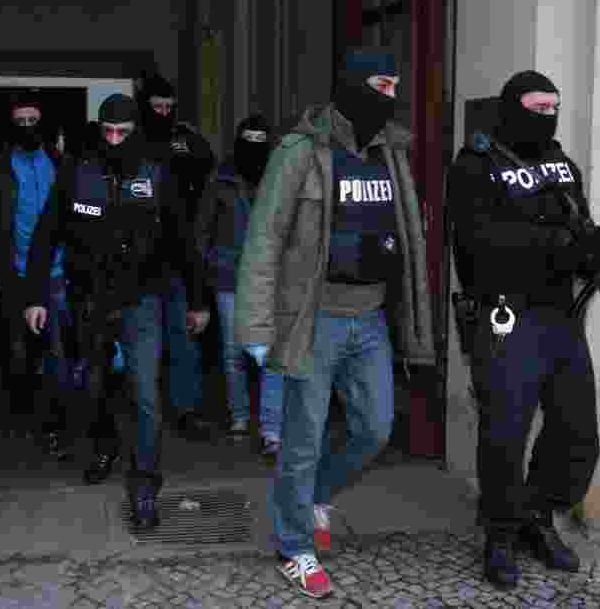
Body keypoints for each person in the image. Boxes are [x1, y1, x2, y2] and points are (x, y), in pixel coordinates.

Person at [235, 48, 434, 599]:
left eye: (395, 86)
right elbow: (264, 239)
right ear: (350, 85)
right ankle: (294, 545)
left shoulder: (392, 153)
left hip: (370, 319)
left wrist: (415, 320)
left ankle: (315, 496)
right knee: (301, 440)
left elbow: (412, 239)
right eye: (379, 84)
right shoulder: (301, 152)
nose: (389, 97)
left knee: (376, 428)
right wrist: (255, 328)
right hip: (314, 321)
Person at [448, 70, 600, 589]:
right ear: (512, 107)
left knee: (576, 432)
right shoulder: (476, 164)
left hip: (561, 317)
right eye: (537, 107)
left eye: (553, 108)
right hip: (506, 316)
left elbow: (585, 233)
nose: (547, 117)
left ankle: (535, 516)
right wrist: (550, 245)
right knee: (504, 433)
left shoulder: (562, 166)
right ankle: (499, 535)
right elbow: (475, 242)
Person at [24, 93, 210, 531]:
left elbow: (184, 242)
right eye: (106, 132)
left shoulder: (157, 172)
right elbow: (45, 234)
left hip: (143, 299)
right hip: (89, 299)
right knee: (92, 386)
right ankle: (105, 445)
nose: (113, 140)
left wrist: (199, 300)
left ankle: (145, 487)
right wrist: (35, 295)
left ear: (135, 133)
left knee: (146, 394)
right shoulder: (76, 171)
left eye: (122, 133)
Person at [0, 99, 72, 456]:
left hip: (57, 273)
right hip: (14, 274)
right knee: (20, 353)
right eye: (20, 120)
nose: (28, 125)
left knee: (56, 352)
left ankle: (54, 426)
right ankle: (28, 413)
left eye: (34, 119)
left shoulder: (61, 164)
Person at [196, 114, 283, 455]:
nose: (254, 150)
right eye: (249, 141)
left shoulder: (278, 178)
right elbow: (202, 230)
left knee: (268, 354)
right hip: (228, 278)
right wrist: (209, 268)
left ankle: (270, 426)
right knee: (234, 353)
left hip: (269, 278)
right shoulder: (219, 179)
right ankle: (239, 416)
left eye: (261, 142)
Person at [137, 73, 216, 441]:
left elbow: (205, 159)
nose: (164, 113)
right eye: (157, 108)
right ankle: (144, 411)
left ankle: (185, 409)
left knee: (183, 337)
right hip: (138, 258)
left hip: (178, 251)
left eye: (169, 108)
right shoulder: (133, 138)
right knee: (141, 343)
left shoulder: (184, 140)